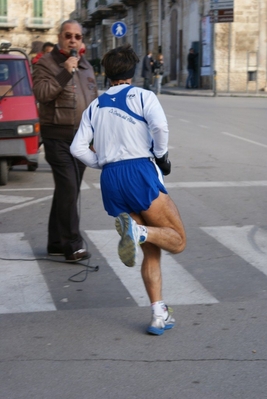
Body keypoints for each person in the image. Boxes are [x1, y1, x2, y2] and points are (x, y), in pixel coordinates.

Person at [70, 44, 186, 335]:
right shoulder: (144, 96)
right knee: (177, 240)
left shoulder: (95, 106)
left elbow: (76, 148)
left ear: (105, 73)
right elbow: (159, 127)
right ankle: (137, 232)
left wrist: (101, 163)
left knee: (152, 252)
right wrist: (161, 155)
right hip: (139, 172)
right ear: (134, 71)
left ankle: (159, 314)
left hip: (111, 180)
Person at [32, 20, 98, 262]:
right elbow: (42, 93)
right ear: (59, 37)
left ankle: (56, 242)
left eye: (77, 36)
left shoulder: (87, 66)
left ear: (82, 41)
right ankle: (73, 245)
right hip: (56, 137)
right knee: (69, 187)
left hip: (81, 139)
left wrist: (95, 136)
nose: (73, 40)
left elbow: (94, 103)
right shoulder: (46, 64)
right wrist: (65, 72)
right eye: (68, 35)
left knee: (67, 191)